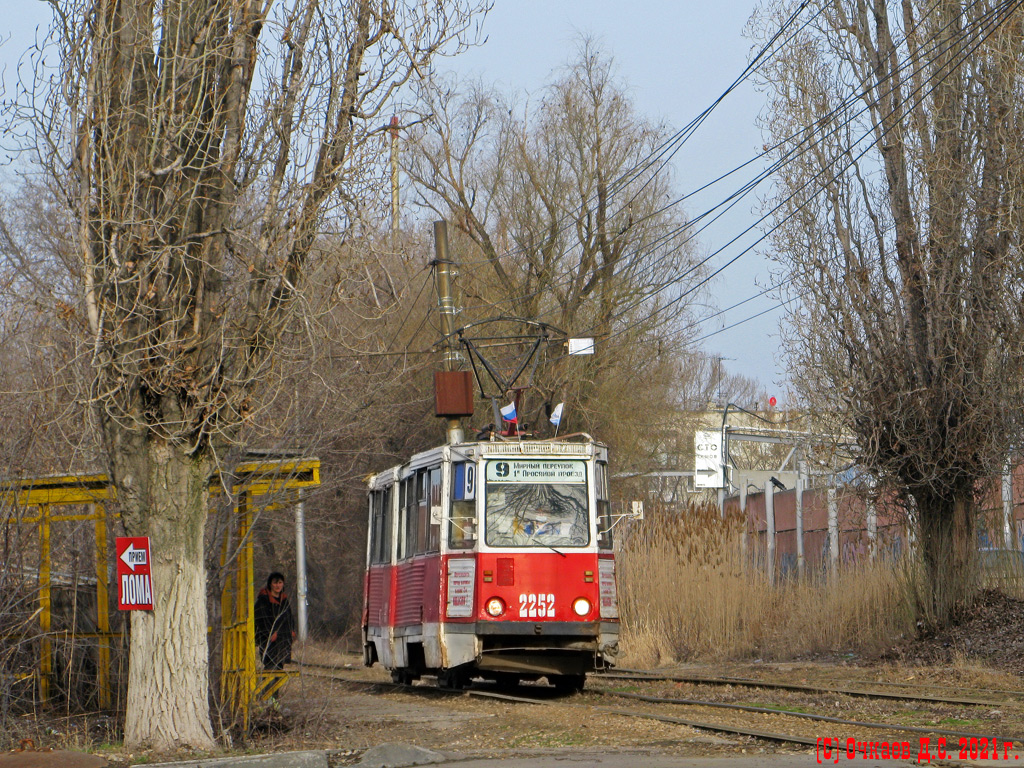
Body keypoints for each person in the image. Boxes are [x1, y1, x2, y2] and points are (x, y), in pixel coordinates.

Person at [254, 571, 294, 670]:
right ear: (270, 584)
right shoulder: (263, 601)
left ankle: (275, 685)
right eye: (275, 583)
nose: (278, 585)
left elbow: (289, 617)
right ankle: (268, 685)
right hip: (269, 641)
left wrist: (291, 630)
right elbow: (261, 620)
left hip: (283, 640)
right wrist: (271, 633)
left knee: (280, 666)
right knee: (270, 666)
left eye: (280, 582)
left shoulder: (284, 600)